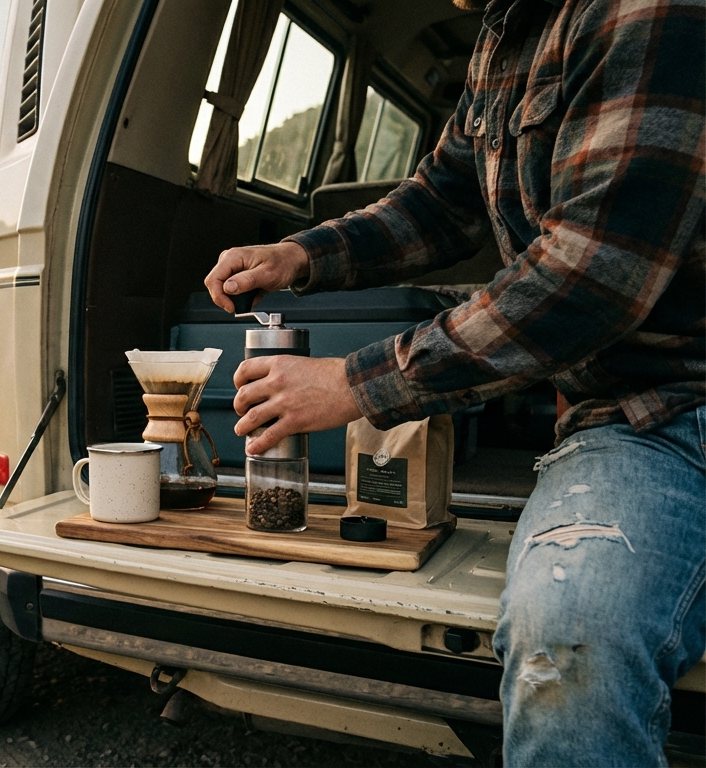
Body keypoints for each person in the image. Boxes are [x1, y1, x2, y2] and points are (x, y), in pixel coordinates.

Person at [203, 0, 704, 764]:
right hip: (631, 427)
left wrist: (353, 384)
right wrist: (301, 255)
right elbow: (440, 202)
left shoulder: (647, 13)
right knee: (567, 634)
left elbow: (592, 274)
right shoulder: (500, 40)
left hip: (680, 398)